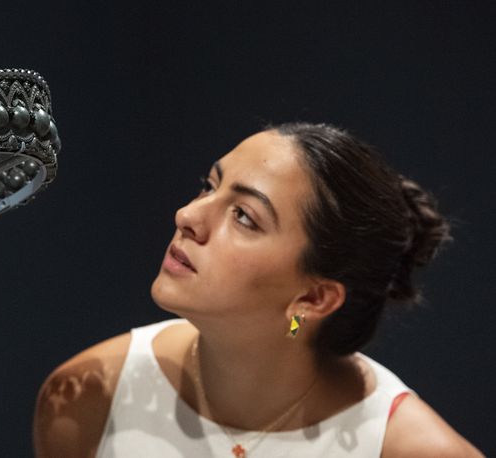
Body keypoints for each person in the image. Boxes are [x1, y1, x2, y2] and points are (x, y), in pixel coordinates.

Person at [32, 122, 483, 457]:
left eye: (244, 216)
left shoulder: (416, 450)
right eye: (209, 186)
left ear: (313, 298)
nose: (188, 216)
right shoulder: (85, 396)